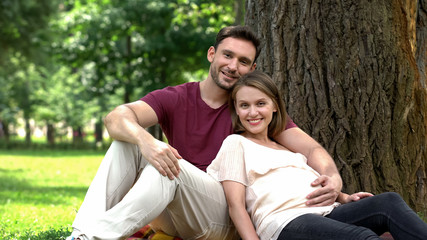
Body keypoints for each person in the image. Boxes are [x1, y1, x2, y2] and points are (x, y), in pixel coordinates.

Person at [67, 26, 342, 240]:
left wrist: (333, 178)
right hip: (174, 209)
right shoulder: (177, 97)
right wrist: (146, 141)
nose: (233, 66)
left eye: (243, 61)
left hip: (225, 218)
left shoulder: (250, 111)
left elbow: (311, 150)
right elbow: (116, 117)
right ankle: (81, 234)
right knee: (126, 143)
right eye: (228, 55)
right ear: (212, 54)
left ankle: (95, 236)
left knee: (166, 171)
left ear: (252, 69)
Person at [207, 70, 427, 240]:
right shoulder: (236, 143)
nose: (252, 112)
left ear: (274, 106)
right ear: (236, 110)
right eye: (244, 106)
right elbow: (235, 206)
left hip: (327, 213)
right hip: (286, 222)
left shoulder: (288, 149)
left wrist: (344, 197)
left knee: (388, 202)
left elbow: (308, 185)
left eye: (260, 103)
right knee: (362, 238)